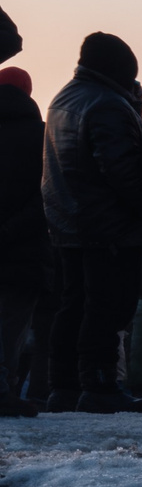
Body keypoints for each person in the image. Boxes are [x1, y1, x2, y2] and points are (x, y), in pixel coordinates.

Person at [41, 34, 142, 412]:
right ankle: (100, 382)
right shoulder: (108, 104)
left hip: (67, 223)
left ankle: (64, 384)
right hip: (108, 226)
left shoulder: (65, 98)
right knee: (108, 306)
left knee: (73, 303)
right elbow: (121, 168)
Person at [0, 66, 46, 413]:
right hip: (24, 249)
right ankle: (6, 387)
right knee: (13, 324)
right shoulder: (41, 136)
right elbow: (47, 196)